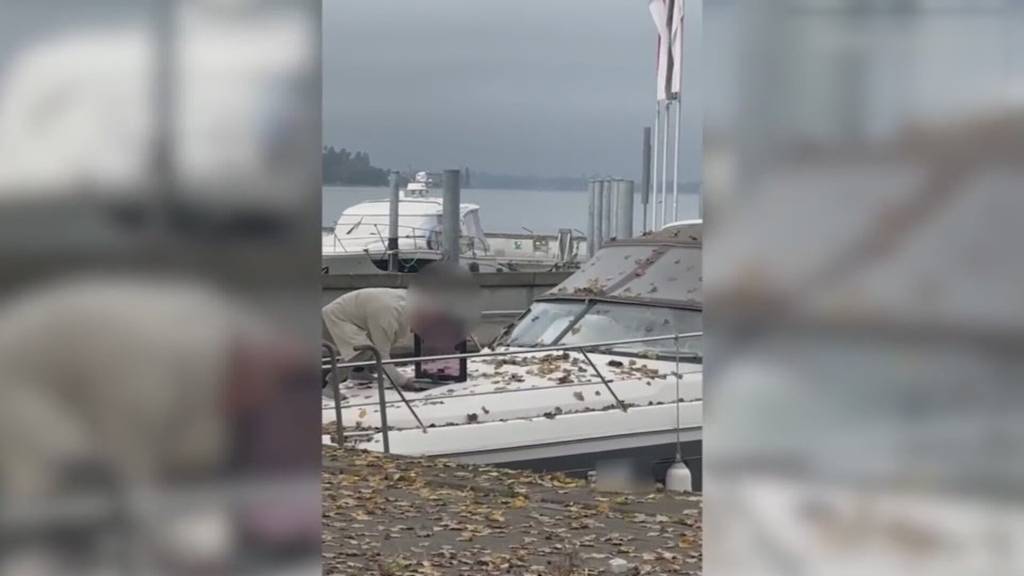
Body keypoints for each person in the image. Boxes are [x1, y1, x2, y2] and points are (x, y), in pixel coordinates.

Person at [321, 288, 415, 387]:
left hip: (347, 315)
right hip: (333, 319)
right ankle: (330, 386)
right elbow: (381, 355)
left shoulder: (409, 302)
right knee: (363, 349)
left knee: (370, 343)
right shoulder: (387, 316)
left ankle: (358, 372)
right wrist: (403, 382)